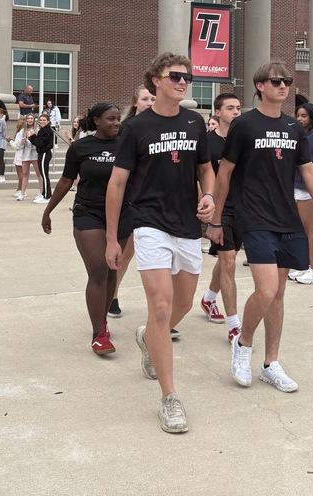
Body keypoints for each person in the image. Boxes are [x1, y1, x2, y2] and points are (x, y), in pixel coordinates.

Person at [209, 62, 313, 395]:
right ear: (260, 86)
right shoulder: (244, 125)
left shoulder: (294, 127)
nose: (283, 86)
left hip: (287, 217)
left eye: (287, 81)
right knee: (266, 290)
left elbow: (308, 171)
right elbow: (224, 174)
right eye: (276, 81)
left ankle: (271, 364)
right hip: (254, 217)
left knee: (278, 295)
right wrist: (215, 219)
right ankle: (244, 344)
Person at [105, 53, 215, 434]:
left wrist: (209, 195)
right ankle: (170, 398)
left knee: (182, 304)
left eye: (187, 77)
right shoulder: (136, 127)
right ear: (156, 80)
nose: (183, 82)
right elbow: (117, 183)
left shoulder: (194, 122)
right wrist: (112, 238)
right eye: (175, 76)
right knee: (162, 306)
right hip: (149, 223)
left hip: (187, 224)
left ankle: (148, 336)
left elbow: (205, 168)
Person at [42, 102, 131, 354]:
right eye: (111, 119)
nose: (116, 123)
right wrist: (48, 211)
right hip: (88, 212)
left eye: (118, 118)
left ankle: (102, 319)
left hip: (122, 214)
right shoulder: (81, 147)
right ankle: (98, 333)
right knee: (98, 270)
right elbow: (66, 180)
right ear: (97, 121)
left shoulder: (127, 145)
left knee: (112, 270)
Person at [108, 84, 156, 319]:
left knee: (151, 260)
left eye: (153, 99)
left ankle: (161, 312)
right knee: (125, 254)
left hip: (153, 198)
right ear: (136, 102)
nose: (150, 103)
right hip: (129, 197)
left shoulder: (162, 126)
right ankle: (112, 295)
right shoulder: (127, 128)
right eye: (145, 99)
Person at [198, 92, 242, 340]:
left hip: (243, 207)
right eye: (230, 108)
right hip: (219, 207)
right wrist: (205, 205)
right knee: (229, 261)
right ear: (218, 112)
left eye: (238, 108)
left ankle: (208, 299)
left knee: (227, 259)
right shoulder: (207, 142)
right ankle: (235, 326)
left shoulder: (244, 139)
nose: (236, 112)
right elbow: (199, 175)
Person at [288, 102, 313, 284]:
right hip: (296, 186)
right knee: (301, 229)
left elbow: (305, 158)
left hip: (307, 188)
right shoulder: (301, 134)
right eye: (298, 115)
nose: (300, 119)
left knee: (310, 229)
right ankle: (305, 266)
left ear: (312, 118)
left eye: (304, 116)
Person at [30, 112, 56, 203]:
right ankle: (44, 193)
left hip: (45, 153)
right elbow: (37, 142)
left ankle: (47, 196)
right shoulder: (42, 130)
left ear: (48, 121)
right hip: (41, 153)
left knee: (44, 175)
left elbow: (40, 143)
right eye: (40, 120)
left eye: (44, 120)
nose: (42, 122)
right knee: (43, 174)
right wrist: (33, 137)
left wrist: (32, 136)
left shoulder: (47, 130)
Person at [11, 114, 36, 201]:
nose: (30, 120)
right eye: (28, 118)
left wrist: (11, 141)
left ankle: (41, 192)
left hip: (31, 154)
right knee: (24, 174)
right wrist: (23, 142)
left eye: (31, 118)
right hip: (23, 155)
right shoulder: (21, 132)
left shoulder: (36, 130)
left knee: (37, 174)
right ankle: (21, 191)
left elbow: (35, 144)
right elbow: (18, 144)